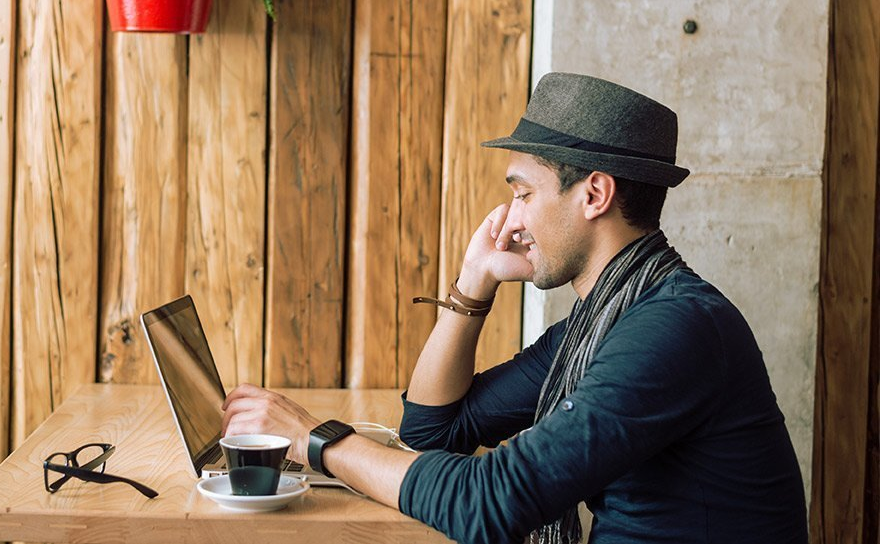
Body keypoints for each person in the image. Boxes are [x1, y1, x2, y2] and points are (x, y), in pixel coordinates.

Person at [221, 73, 808, 544]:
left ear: (594, 195)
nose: (511, 219)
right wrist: (473, 284)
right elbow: (433, 432)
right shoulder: (602, 323)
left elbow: (492, 502)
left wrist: (315, 439)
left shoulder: (674, 328)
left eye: (524, 193)